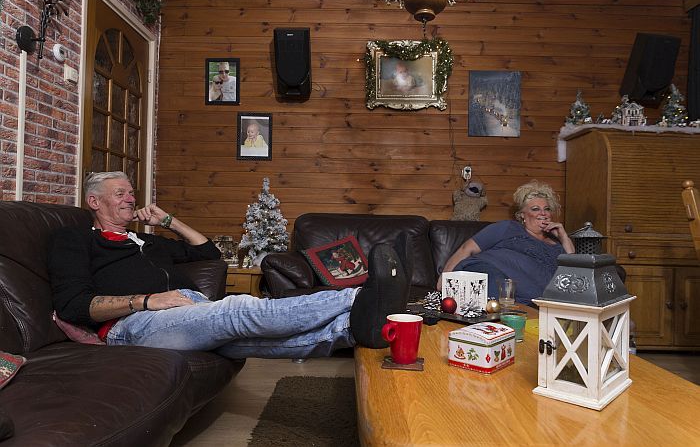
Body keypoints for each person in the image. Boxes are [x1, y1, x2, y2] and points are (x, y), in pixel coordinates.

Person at [49, 172, 409, 358]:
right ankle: (360, 298)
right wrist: (147, 300)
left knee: (245, 341)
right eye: (120, 194)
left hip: (187, 307)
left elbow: (207, 252)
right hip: (133, 324)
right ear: (94, 202)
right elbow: (73, 305)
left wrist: (168, 221)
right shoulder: (76, 239)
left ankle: (353, 329)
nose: (130, 199)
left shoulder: (147, 241)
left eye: (131, 193)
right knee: (239, 311)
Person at [437, 180, 575, 305]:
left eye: (547, 209)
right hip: (490, 273)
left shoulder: (556, 244)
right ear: (522, 215)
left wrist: (564, 237)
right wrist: (444, 279)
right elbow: (467, 248)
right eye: (535, 209)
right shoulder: (508, 228)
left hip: (531, 296)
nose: (543, 213)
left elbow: (574, 272)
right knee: (497, 284)